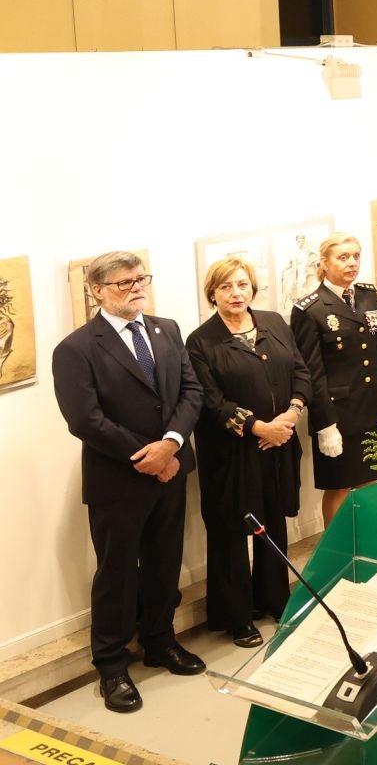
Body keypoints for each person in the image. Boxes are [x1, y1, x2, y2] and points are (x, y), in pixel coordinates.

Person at [53, 253, 205, 712]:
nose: (137, 288)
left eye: (141, 280)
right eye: (124, 283)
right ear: (96, 291)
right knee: (117, 575)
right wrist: (149, 455)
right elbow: (85, 420)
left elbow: (190, 391)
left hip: (171, 470)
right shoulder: (77, 349)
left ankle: (160, 642)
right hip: (119, 479)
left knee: (165, 563)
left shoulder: (167, 329)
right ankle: (112, 666)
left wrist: (173, 443)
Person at [186, 257, 309, 649]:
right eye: (225, 287)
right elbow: (210, 400)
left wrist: (290, 417)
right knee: (231, 532)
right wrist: (260, 427)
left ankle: (275, 600)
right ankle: (236, 616)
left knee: (272, 522)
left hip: (278, 445)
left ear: (252, 288)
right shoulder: (201, 341)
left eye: (242, 285)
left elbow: (301, 372)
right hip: (232, 453)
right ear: (212, 294)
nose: (236, 293)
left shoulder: (274, 322)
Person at [291, 234, 377, 526]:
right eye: (343, 257)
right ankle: (338, 553)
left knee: (372, 479)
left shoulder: (367, 295)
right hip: (338, 414)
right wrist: (325, 424)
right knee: (339, 486)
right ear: (324, 262)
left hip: (372, 406)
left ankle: (369, 544)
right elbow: (312, 372)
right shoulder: (310, 309)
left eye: (356, 256)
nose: (352, 263)